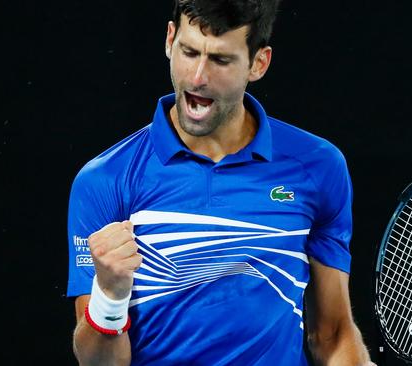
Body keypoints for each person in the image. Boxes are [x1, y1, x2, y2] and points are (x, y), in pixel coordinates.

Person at [67, 1, 375, 365]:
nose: (198, 76)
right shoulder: (105, 178)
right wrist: (109, 294)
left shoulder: (318, 167)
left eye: (220, 60)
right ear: (169, 41)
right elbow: (99, 363)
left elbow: (333, 335)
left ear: (258, 63)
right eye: (189, 51)